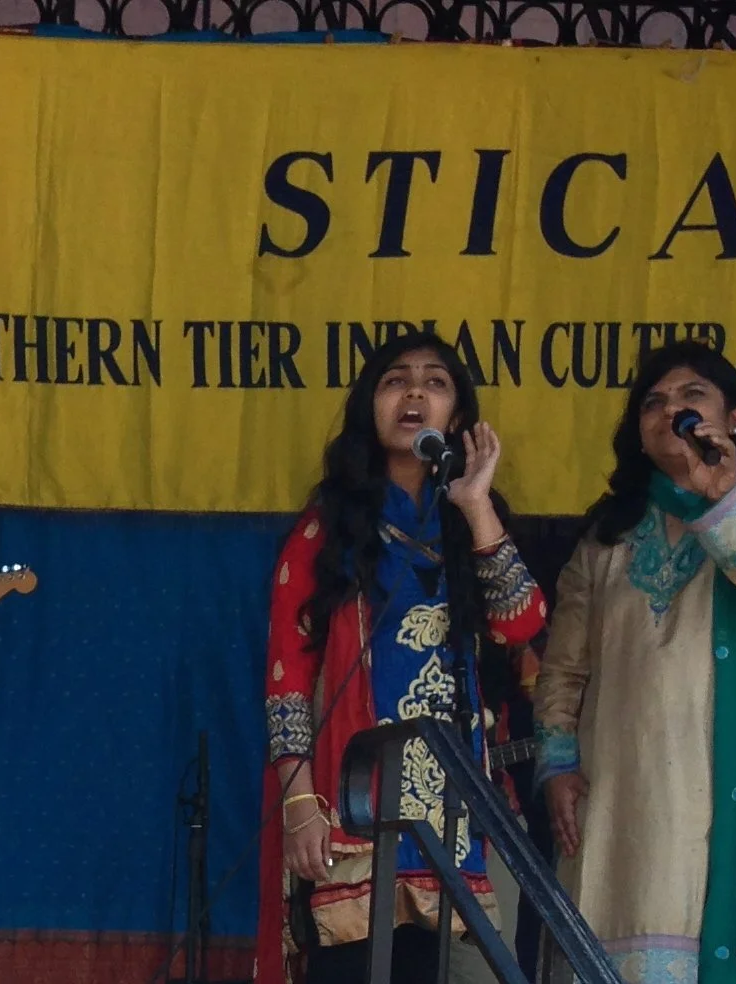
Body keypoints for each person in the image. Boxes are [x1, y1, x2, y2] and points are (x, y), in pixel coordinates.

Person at [253, 331, 548, 984]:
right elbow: (287, 678)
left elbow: (522, 622)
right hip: (353, 811)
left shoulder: (471, 524)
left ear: (459, 420)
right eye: (395, 380)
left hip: (459, 816)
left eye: (434, 381)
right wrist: (300, 801)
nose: (414, 391)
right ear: (369, 408)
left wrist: (473, 507)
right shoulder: (325, 529)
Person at [534, 340, 736, 984]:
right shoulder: (608, 536)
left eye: (692, 397)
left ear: (734, 416)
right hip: (617, 797)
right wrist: (558, 764)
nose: (670, 411)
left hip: (716, 787)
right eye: (653, 402)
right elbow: (563, 667)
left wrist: (724, 499)